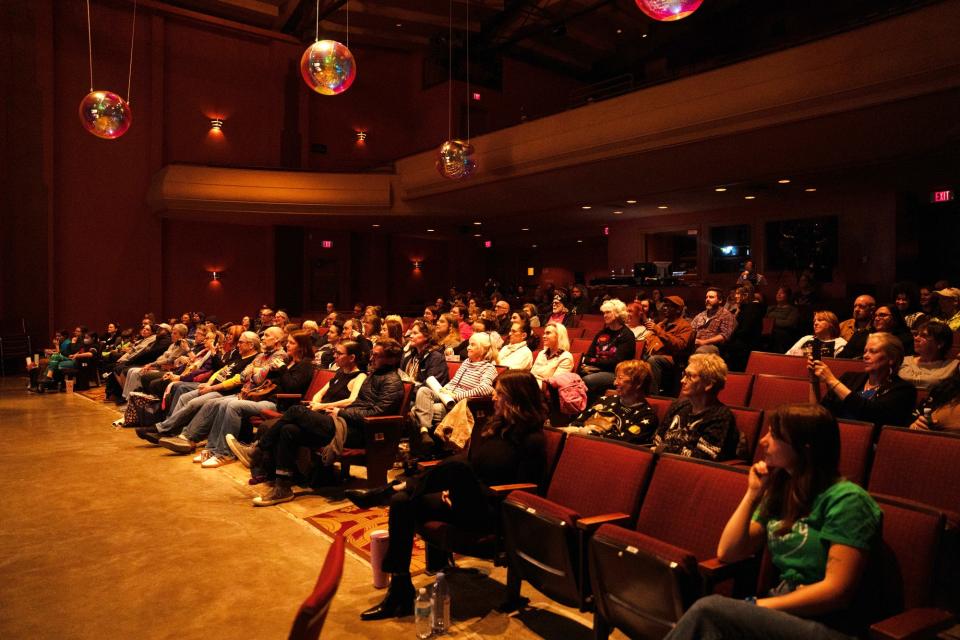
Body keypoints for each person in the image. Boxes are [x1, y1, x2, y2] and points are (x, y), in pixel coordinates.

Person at [664, 404, 882, 640]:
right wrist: (752, 495)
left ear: (804, 448)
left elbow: (837, 592)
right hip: (782, 608)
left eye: (775, 435)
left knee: (710, 610)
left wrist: (755, 605)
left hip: (830, 624)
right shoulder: (783, 490)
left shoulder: (848, 501)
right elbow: (729, 552)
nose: (763, 441)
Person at [350, 370, 547, 621]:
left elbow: (526, 490)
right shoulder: (491, 427)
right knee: (403, 503)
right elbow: (471, 462)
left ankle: (390, 489)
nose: (493, 397)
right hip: (464, 500)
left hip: (494, 511)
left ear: (516, 398)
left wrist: (460, 489)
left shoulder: (532, 439)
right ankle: (400, 591)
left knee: (457, 467)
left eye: (499, 393)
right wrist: (450, 490)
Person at [235, 340, 367, 497]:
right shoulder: (339, 373)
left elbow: (352, 400)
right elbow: (321, 392)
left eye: (339, 353)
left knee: (296, 410)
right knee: (287, 429)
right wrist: (317, 402)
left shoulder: (360, 376)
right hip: (320, 416)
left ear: (352, 357)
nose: (335, 355)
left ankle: (257, 449)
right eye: (335, 352)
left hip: (335, 421)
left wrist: (322, 406)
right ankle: (282, 485)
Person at [411, 332, 498, 450]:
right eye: (469, 344)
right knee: (423, 390)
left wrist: (457, 395)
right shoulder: (467, 362)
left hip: (458, 406)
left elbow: (486, 388)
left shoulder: (489, 368)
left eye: (473, 345)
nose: (468, 347)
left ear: (483, 349)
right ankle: (426, 433)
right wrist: (444, 389)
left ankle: (425, 438)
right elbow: (454, 382)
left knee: (415, 410)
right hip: (446, 396)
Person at [810, 332, 916, 427]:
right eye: (865, 351)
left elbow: (871, 413)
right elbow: (820, 412)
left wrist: (832, 380)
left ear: (891, 359)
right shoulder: (849, 378)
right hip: (834, 435)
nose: (865, 356)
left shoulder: (904, 390)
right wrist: (813, 380)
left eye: (873, 351)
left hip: (867, 443)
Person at [652, 353, 744, 461]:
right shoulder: (678, 406)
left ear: (708, 384)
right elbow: (656, 441)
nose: (682, 381)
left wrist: (663, 450)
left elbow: (701, 457)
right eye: (684, 374)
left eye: (689, 376)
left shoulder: (721, 416)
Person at [565, 360, 658, 444]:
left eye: (620, 378)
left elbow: (620, 443)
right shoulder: (605, 400)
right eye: (615, 378)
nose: (615, 383)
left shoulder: (646, 416)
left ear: (638, 383)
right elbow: (577, 422)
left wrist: (587, 433)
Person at [579, 299, 636, 397]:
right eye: (604, 313)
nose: (605, 315)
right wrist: (593, 362)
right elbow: (588, 356)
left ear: (618, 313)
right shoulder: (601, 333)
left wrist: (593, 362)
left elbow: (617, 362)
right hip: (596, 369)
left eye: (608, 312)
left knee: (587, 380)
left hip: (615, 373)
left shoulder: (627, 335)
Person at [643, 295, 695, 395]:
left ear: (678, 310)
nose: (665, 308)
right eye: (665, 305)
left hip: (673, 360)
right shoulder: (662, 324)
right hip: (654, 355)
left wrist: (658, 331)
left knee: (653, 360)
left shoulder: (685, 326)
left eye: (669, 306)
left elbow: (680, 345)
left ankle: (652, 396)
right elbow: (650, 339)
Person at [898, 321, 958, 389]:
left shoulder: (953, 366)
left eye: (923, 336)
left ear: (940, 343)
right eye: (916, 335)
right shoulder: (903, 360)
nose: (916, 338)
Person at [840, 304, 914, 359]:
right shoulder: (860, 335)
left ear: (895, 318)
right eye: (875, 315)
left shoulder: (906, 339)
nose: (877, 318)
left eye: (882, 315)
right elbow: (841, 358)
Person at [724, 284, 766, 372]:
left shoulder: (751, 309)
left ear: (746, 295)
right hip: (741, 343)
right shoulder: (745, 308)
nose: (735, 296)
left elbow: (744, 331)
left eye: (738, 293)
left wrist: (729, 338)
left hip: (745, 347)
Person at [399, 320, 449, 387]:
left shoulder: (436, 357)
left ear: (426, 336)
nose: (411, 336)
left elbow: (431, 385)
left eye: (415, 333)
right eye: (411, 333)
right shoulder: (411, 354)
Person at [690, 287, 737, 355]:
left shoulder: (726, 315)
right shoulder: (701, 315)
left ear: (720, 300)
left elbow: (725, 335)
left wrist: (704, 342)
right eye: (706, 297)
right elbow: (691, 329)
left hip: (713, 346)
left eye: (711, 297)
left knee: (701, 351)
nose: (707, 299)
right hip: (696, 343)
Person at [765, 286, 800, 353]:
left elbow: (789, 323)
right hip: (768, 331)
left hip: (783, 333)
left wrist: (772, 322)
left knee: (776, 335)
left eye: (782, 293)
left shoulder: (793, 310)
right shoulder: (771, 308)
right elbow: (765, 320)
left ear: (788, 296)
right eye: (778, 293)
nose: (778, 295)